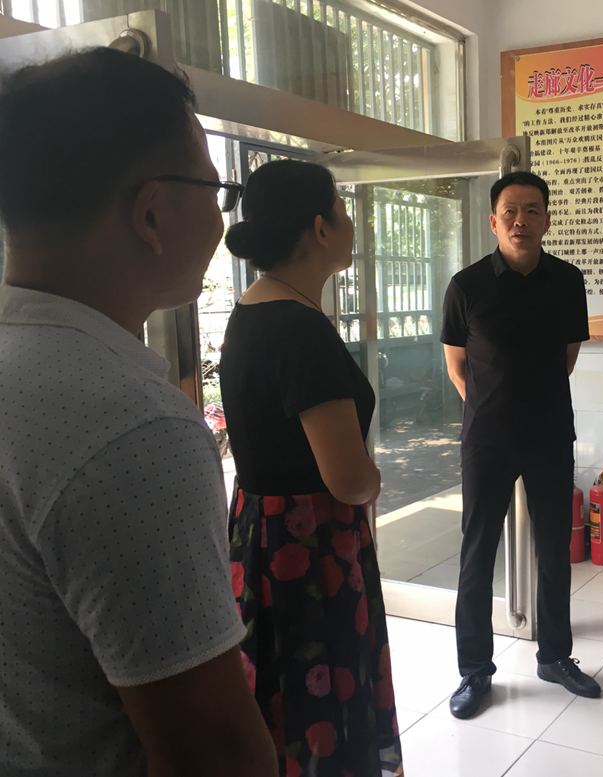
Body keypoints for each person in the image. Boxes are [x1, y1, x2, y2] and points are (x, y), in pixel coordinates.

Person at [0, 49, 276, 776]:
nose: (221, 219)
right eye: (215, 190)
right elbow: (216, 753)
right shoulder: (131, 427)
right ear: (152, 212)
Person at [220, 160, 404, 777]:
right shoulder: (301, 328)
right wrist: (375, 480)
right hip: (310, 549)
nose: (351, 223)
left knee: (279, 696)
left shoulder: (251, 310)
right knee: (319, 699)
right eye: (343, 210)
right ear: (320, 229)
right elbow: (347, 478)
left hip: (260, 537)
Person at [440, 170, 599, 719]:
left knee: (555, 550)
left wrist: (529, 405)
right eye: (510, 210)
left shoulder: (567, 281)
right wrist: (491, 407)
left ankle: (554, 657)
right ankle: (474, 672)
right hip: (486, 440)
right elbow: (456, 364)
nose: (520, 220)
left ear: (547, 219)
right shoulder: (466, 286)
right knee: (477, 552)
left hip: (550, 434)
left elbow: (567, 356)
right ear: (493, 220)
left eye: (532, 210)